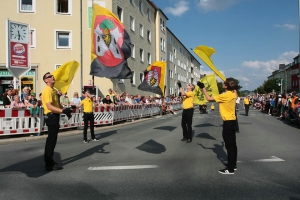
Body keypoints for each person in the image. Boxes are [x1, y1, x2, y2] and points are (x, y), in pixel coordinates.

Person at [199, 78, 237, 175]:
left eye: (224, 83)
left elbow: (208, 98)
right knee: (233, 145)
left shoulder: (224, 95)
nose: (222, 84)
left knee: (229, 146)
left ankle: (230, 169)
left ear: (226, 86)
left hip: (227, 122)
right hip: (233, 121)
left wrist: (203, 89)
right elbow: (234, 91)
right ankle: (233, 164)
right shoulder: (234, 95)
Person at [41, 72, 72, 171]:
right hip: (51, 117)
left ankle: (49, 162)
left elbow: (57, 105)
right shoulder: (47, 91)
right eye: (49, 76)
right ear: (46, 80)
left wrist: (66, 110)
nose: (53, 77)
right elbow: (49, 106)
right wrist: (62, 110)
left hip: (54, 116)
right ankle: (49, 163)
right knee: (51, 141)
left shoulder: (53, 90)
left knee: (52, 141)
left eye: (52, 76)